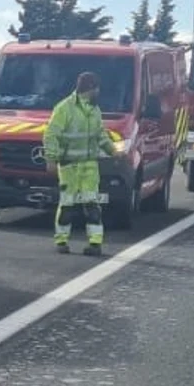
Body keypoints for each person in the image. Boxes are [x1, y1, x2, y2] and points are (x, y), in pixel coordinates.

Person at [44, 72, 116, 256]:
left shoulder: (94, 109)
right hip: (69, 166)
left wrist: (112, 150)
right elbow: (51, 134)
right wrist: (51, 159)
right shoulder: (64, 108)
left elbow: (100, 134)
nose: (98, 92)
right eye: (97, 88)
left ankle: (95, 243)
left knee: (92, 206)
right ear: (91, 88)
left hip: (90, 166)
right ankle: (61, 241)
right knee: (67, 205)